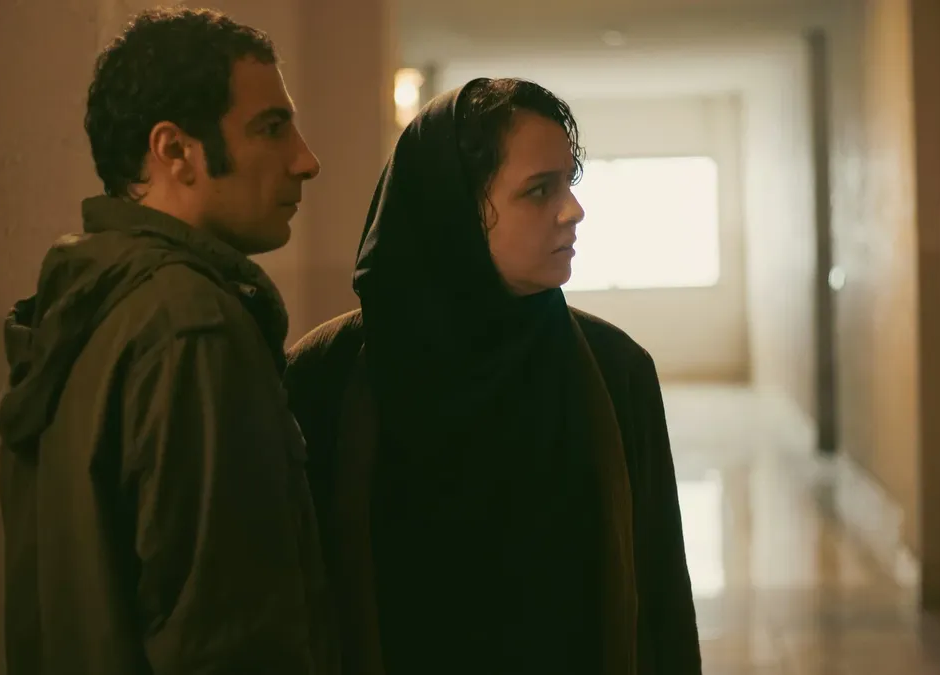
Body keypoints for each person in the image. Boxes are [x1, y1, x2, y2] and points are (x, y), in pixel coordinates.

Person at [283, 77, 701, 675]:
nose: (573, 210)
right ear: (453, 208)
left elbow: (661, 598)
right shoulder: (326, 374)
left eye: (569, 183)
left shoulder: (616, 370)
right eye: (539, 190)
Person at [0, 8, 335, 674]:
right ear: (176, 150)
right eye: (271, 127)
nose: (306, 160)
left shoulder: (92, 302)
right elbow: (225, 638)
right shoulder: (190, 324)